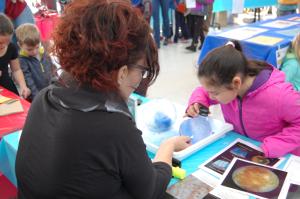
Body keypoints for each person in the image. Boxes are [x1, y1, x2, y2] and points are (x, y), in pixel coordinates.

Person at [15, 0, 190, 198]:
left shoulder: (45, 99)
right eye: (142, 70)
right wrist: (167, 146)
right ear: (122, 72)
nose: (140, 79)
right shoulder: (114, 126)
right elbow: (149, 189)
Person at [186, 40, 300, 158]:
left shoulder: (280, 96)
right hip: (243, 147)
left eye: (214, 93)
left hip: (280, 157)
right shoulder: (227, 86)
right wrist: (197, 101)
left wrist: (274, 146)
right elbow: (203, 91)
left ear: (236, 83)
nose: (210, 96)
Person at [16, 23, 53, 100]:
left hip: (49, 92)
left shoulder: (43, 52)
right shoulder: (22, 60)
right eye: (29, 49)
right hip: (35, 97)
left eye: (37, 47)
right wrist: (38, 98)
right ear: (20, 45)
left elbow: (52, 69)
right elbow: (28, 80)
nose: (34, 52)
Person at [0, 13, 30, 98]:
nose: (4, 45)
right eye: (0, 43)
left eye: (7, 42)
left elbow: (16, 70)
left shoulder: (11, 48)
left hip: (6, 86)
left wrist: (23, 86)